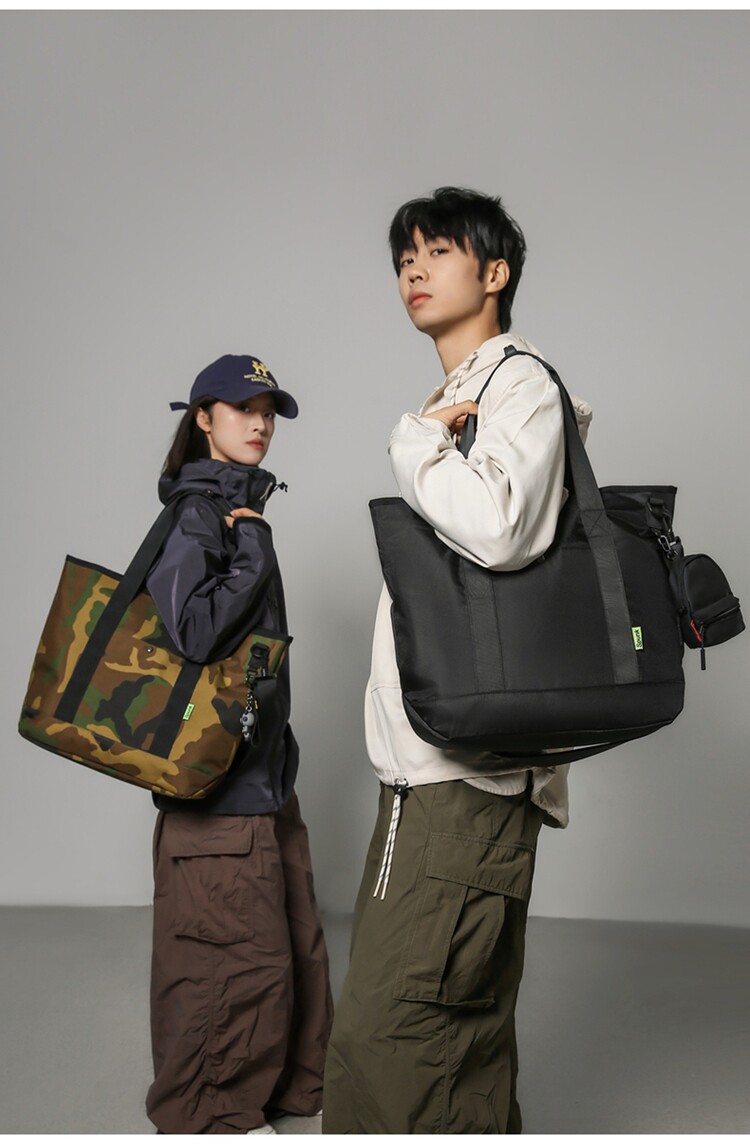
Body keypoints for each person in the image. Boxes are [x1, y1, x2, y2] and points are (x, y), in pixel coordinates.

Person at [322, 187, 592, 1134]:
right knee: (449, 1028)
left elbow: (501, 529)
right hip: (437, 767)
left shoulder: (518, 385)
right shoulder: (462, 396)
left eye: (438, 250)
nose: (414, 267)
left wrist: (413, 443)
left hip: (466, 773)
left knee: (401, 1029)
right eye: (405, 256)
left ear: (495, 272)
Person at [144, 354, 333, 1135]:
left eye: (267, 411)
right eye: (241, 408)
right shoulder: (202, 514)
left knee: (291, 952)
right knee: (231, 965)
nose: (259, 424)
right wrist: (253, 546)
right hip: (218, 797)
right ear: (202, 418)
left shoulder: (236, 506)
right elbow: (193, 632)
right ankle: (216, 1117)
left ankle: (288, 1100)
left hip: (261, 779)